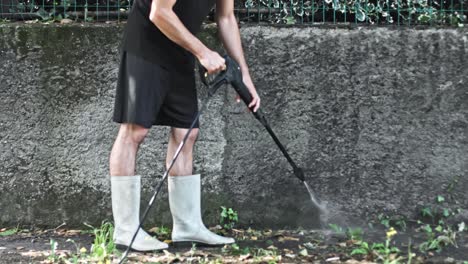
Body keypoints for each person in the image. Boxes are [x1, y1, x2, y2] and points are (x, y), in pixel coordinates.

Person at [109, 0, 261, 251]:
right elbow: (159, 12)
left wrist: (243, 74)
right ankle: (126, 231)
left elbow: (226, 17)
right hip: (147, 44)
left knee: (186, 133)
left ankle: (187, 226)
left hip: (180, 49)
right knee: (135, 131)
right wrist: (203, 52)